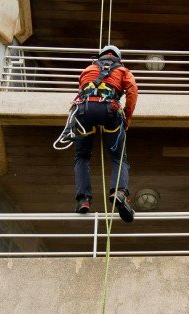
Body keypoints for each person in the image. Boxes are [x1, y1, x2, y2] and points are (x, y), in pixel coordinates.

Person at [71, 45, 138, 222]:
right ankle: (119, 192)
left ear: (100, 56)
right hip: (110, 111)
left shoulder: (88, 69)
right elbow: (132, 91)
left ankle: (83, 200)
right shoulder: (123, 71)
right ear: (118, 57)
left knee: (82, 156)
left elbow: (81, 92)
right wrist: (127, 118)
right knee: (118, 157)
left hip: (83, 113)